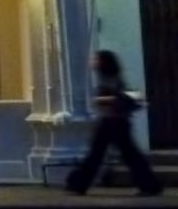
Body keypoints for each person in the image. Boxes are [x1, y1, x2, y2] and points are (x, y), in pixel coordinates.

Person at [66, 50, 162, 196]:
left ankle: (79, 184)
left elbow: (116, 97)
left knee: (100, 155)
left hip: (112, 121)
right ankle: (149, 184)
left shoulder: (111, 78)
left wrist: (100, 100)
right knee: (125, 155)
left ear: (103, 62)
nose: (93, 62)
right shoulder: (108, 77)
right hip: (115, 122)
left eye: (96, 59)